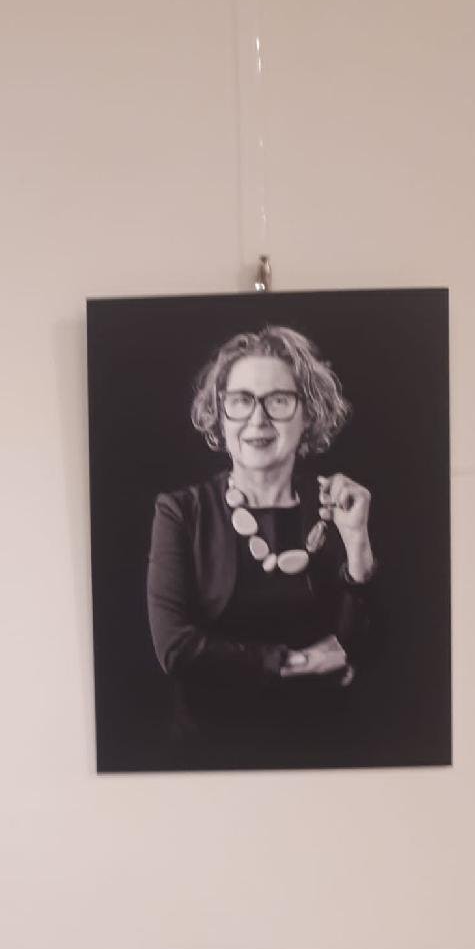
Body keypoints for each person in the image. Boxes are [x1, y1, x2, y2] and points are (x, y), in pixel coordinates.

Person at [146, 324, 378, 763]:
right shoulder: (182, 511)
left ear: (309, 413)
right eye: (241, 401)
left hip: (329, 751)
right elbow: (177, 649)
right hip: (208, 754)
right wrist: (295, 662)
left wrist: (357, 544)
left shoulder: (338, 503)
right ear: (220, 414)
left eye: (279, 400)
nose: (258, 419)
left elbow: (365, 647)